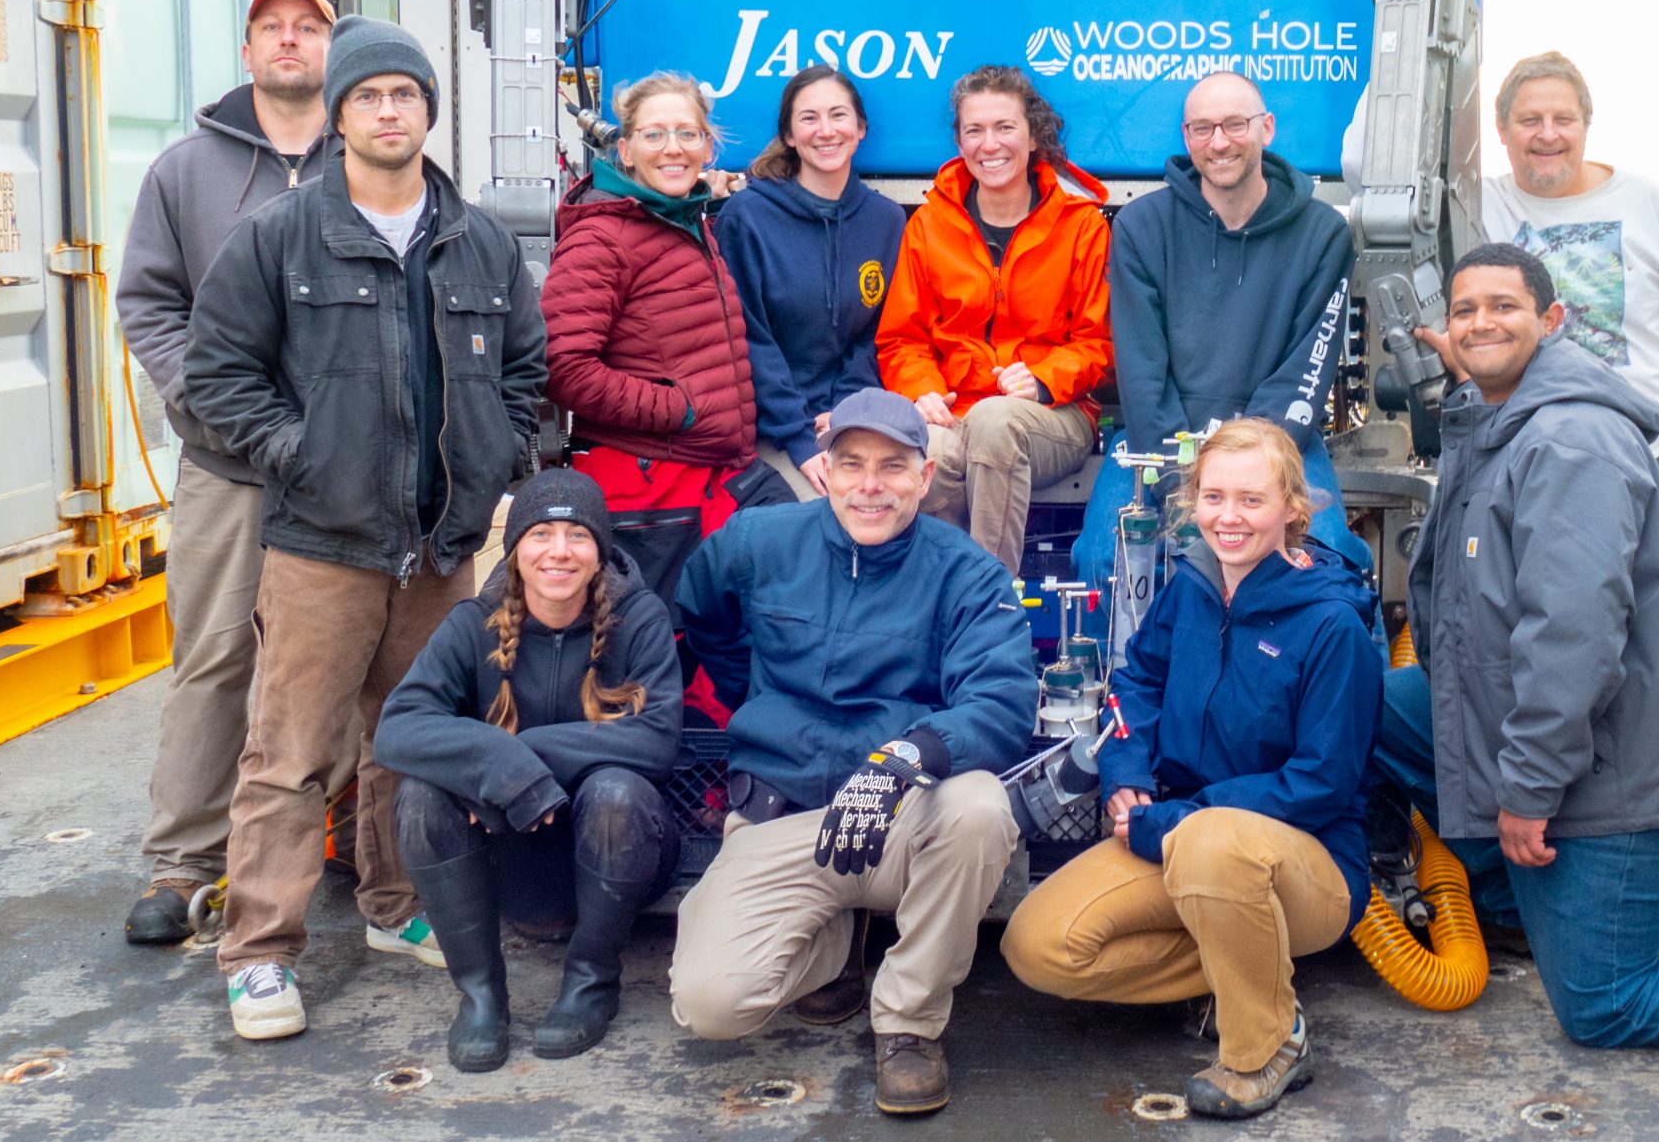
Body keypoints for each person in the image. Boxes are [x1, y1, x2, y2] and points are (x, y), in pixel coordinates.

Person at [183, 16, 547, 1041]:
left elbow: (526, 372)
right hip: (322, 547)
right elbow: (213, 381)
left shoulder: (475, 240)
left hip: (438, 548)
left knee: (410, 741)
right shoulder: (281, 237)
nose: (390, 111)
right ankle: (259, 952)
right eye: (369, 95)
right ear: (339, 115)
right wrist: (303, 455)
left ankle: (396, 906)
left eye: (406, 94)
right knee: (290, 752)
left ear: (430, 110)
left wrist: (497, 458)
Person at [1375, 242, 1659, 1050]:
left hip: (1622, 768)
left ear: (1553, 320)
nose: (1482, 321)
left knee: (1604, 1001)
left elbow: (1572, 637)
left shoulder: (1568, 442)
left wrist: (1528, 789)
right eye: (1466, 310)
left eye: (1505, 305)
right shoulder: (1493, 419)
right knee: (1368, 706)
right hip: (1553, 738)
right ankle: (1513, 904)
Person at [1003, 418, 1382, 1121]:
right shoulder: (1193, 586)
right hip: (1174, 829)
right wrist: (1125, 772)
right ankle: (1247, 970)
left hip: (1309, 860)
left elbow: (1321, 783)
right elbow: (1136, 680)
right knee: (1040, 945)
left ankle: (1266, 1045)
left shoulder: (1333, 626)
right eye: (1214, 497)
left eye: (1251, 499)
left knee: (1212, 842)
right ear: (1192, 500)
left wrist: (1177, 815)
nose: (1228, 517)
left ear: (1294, 509)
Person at [666, 389, 1032, 1116]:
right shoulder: (757, 540)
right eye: (853, 463)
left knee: (980, 807)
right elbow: (698, 609)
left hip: (901, 818)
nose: (871, 484)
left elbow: (1004, 702)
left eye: (893, 466)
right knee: (711, 1005)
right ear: (823, 471)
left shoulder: (968, 572)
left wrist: (905, 756)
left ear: (925, 479)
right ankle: (835, 942)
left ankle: (907, 1022)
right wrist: (755, 698)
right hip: (781, 816)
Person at [115, 0, 337, 944]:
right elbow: (149, 302)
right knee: (213, 656)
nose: (289, 42)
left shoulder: (376, 159)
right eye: (271, 29)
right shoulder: (185, 172)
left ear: (334, 49)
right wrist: (202, 398)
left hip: (346, 466)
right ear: (247, 53)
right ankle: (181, 863)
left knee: (351, 660)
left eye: (307, 28)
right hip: (225, 463)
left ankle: (355, 843)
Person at [373, 469, 684, 1071]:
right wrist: (496, 766)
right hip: (510, 862)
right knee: (421, 797)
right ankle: (481, 997)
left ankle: (592, 983)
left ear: (601, 553)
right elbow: (399, 726)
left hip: (619, 858)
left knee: (617, 789)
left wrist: (526, 755)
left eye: (578, 535)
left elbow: (658, 740)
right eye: (541, 533)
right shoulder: (473, 623)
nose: (560, 551)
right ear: (516, 549)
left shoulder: (639, 618)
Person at [1468, 51, 1659, 667]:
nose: (1548, 134)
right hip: (1543, 462)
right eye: (1529, 120)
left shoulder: (1647, 203)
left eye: (1562, 119)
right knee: (1569, 652)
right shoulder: (1478, 206)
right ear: (1500, 131)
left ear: (1585, 126)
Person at [1080, 71, 1367, 599]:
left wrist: (1246, 470)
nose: (1219, 142)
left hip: (1283, 441)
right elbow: (1143, 374)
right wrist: (1187, 483)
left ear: (1267, 128)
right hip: (1161, 438)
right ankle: (1128, 680)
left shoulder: (1322, 234)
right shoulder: (1142, 226)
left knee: (1326, 564)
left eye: (1236, 125)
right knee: (1105, 559)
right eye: (1203, 128)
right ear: (1186, 137)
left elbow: (1307, 368)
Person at [543, 72, 793, 609]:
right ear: (626, 150)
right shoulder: (601, 236)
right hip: (647, 485)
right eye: (655, 135)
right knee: (658, 656)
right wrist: (678, 410)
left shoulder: (683, 220)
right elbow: (564, 368)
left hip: (711, 470)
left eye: (688, 133)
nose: (673, 148)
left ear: (709, 147)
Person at [876, 65, 1112, 571]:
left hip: (1056, 414)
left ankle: (990, 605)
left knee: (994, 420)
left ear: (1032, 135)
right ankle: (939, 606)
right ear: (959, 141)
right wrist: (922, 390)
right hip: (955, 408)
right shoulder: (929, 223)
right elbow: (901, 339)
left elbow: (1102, 344)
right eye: (974, 130)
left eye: (1005, 127)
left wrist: (1046, 378)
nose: (990, 144)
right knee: (928, 453)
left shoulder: (1081, 223)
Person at [714, 66, 906, 499]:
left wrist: (846, 411)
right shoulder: (746, 218)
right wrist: (800, 437)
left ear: (860, 130)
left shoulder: (887, 221)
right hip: (773, 427)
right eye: (809, 118)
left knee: (895, 503)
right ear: (789, 136)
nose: (826, 131)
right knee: (822, 509)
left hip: (849, 418)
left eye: (839, 116)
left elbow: (876, 335)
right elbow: (747, 340)